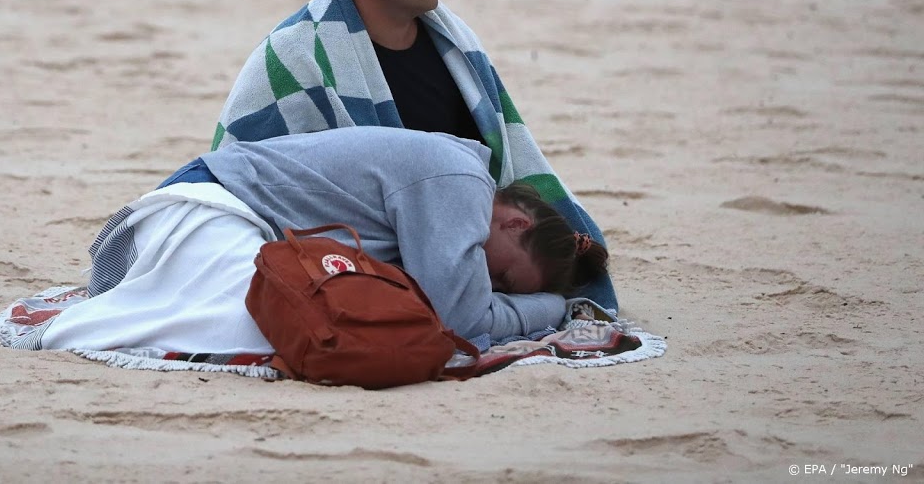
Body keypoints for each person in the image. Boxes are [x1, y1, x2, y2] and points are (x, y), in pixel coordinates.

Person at [211, 0, 619, 313]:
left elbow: (507, 156)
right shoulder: (295, 55)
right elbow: (240, 177)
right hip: (358, 252)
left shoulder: (456, 44)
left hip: (466, 238)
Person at [35, 128, 608, 357]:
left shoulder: (456, 178)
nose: (491, 285)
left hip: (201, 229)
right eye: (503, 275)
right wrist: (547, 309)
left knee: (314, 325)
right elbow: (463, 319)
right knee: (275, 330)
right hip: (199, 216)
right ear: (514, 225)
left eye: (502, 286)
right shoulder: (458, 184)